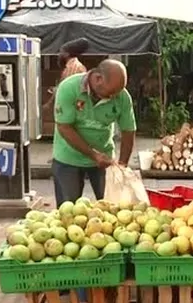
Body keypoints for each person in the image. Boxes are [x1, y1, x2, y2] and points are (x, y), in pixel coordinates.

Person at [51, 59, 136, 206]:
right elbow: (64, 127)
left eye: (117, 93)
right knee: (68, 210)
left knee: (113, 207)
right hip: (68, 158)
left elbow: (128, 131)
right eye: (110, 93)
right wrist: (94, 155)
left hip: (104, 159)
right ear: (98, 79)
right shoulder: (68, 88)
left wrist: (122, 166)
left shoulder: (122, 96)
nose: (114, 97)